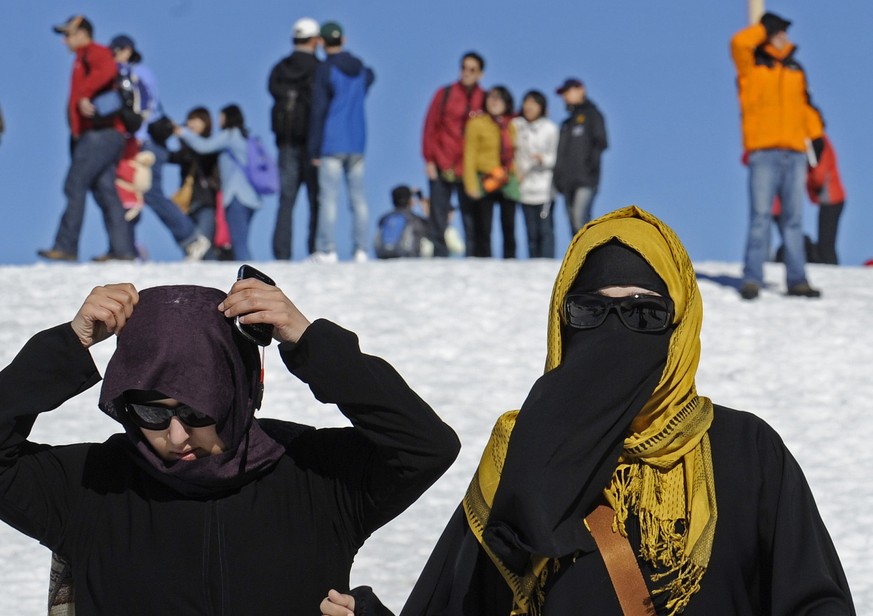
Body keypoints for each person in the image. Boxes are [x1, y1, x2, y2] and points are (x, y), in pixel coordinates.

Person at [326, 205, 856, 615]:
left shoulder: (746, 451)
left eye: (645, 313)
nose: (614, 331)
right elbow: (462, 605)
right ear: (563, 323)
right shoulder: (522, 456)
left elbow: (814, 601)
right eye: (590, 310)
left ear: (680, 326)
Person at [2, 274, 460, 614]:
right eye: (151, 413)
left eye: (197, 412)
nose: (176, 436)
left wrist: (308, 340)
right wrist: (69, 343)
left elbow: (425, 447)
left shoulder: (316, 476)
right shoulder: (91, 486)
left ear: (238, 394)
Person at [731, 12, 824, 299]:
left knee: (793, 219)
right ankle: (752, 278)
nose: (784, 36)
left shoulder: (796, 69)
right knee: (760, 216)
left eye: (784, 32)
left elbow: (805, 106)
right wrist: (762, 29)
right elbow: (738, 43)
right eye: (778, 31)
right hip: (763, 153)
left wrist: (816, 134)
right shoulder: (751, 66)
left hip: (795, 154)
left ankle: (797, 280)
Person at [38, 15, 137, 263]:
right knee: (105, 190)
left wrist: (85, 94)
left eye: (68, 34)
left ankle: (66, 246)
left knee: (75, 184)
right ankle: (122, 250)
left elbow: (107, 69)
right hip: (104, 135)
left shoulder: (94, 52)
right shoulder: (82, 57)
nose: (64, 41)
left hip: (100, 134)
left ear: (82, 33)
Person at [108, 35, 211, 261]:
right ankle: (126, 248)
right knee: (128, 193)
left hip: (147, 142)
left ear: (127, 51)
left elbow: (144, 106)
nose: (112, 56)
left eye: (115, 51)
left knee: (150, 191)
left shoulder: (135, 73)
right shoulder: (132, 73)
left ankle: (191, 238)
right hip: (136, 142)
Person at [308, 21, 375, 263]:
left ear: (322, 42)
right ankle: (361, 249)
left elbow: (318, 110)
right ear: (343, 40)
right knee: (358, 198)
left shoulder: (325, 69)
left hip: (332, 141)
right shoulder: (361, 70)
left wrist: (313, 149)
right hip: (357, 141)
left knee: (328, 198)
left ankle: (327, 249)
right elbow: (371, 76)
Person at [422, 52, 486, 257]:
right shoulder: (445, 94)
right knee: (438, 214)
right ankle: (439, 256)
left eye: (472, 69)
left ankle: (473, 258)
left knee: (471, 216)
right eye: (464, 68)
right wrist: (429, 159)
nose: (466, 73)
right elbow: (430, 126)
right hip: (442, 162)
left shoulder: (485, 99)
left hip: (469, 167)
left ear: (480, 74)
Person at [177, 104, 260, 261]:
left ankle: (248, 275)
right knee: (240, 240)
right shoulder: (244, 137)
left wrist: (182, 132)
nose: (219, 120)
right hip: (251, 198)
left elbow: (204, 146)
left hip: (237, 196)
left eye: (221, 116)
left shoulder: (230, 135)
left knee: (238, 244)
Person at [268, 17, 322, 260]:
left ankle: (282, 252)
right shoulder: (319, 69)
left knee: (286, 200)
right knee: (315, 200)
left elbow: (272, 90)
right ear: (315, 40)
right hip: (313, 146)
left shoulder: (280, 68)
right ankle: (315, 249)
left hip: (286, 143)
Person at [463, 85, 518, 258]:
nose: (494, 101)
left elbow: (515, 153)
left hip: (507, 179)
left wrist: (517, 175)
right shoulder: (476, 123)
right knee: (483, 226)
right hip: (485, 178)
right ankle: (484, 261)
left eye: (499, 98)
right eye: (491, 97)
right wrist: (471, 185)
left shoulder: (511, 125)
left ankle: (510, 261)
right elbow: (469, 155)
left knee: (509, 225)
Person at [552, 77, 608, 237]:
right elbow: (560, 153)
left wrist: (591, 168)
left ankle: (591, 250)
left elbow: (601, 143)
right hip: (567, 181)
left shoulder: (593, 115)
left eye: (568, 91)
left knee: (580, 218)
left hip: (586, 179)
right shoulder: (567, 123)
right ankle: (580, 252)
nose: (565, 96)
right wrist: (558, 178)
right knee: (572, 223)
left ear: (581, 90)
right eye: (563, 93)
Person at [166, 107, 222, 259]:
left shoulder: (210, 144)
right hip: (188, 205)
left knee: (203, 244)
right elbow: (172, 157)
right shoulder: (186, 149)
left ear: (206, 122)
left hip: (206, 202)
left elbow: (202, 151)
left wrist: (183, 134)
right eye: (189, 120)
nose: (191, 124)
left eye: (196, 120)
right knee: (193, 248)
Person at [512, 90, 559, 259]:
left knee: (545, 231)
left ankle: (547, 264)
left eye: (534, 103)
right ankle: (533, 264)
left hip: (545, 189)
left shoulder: (550, 129)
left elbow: (557, 157)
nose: (529, 107)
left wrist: (543, 159)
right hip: (524, 187)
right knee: (531, 232)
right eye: (526, 102)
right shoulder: (516, 125)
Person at [807, 132, 845, 265]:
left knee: (826, 244)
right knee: (826, 242)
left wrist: (810, 184)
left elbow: (819, 173)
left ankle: (831, 271)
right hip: (831, 198)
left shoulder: (818, 143)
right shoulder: (821, 141)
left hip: (831, 198)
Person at [374, 185, 434, 259]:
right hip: (408, 256)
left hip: (383, 254)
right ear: (410, 201)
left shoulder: (383, 218)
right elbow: (434, 228)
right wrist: (423, 203)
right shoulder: (414, 219)